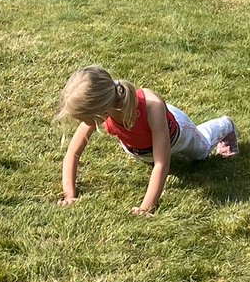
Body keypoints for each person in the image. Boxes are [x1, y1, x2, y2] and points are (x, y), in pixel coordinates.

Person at [55, 65, 237, 216]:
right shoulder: (104, 109)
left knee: (201, 153)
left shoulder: (151, 106)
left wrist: (146, 208)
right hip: (140, 147)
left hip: (176, 136)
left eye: (85, 119)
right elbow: (73, 152)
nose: (83, 123)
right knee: (152, 156)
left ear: (102, 111)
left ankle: (225, 125)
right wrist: (69, 194)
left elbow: (162, 163)